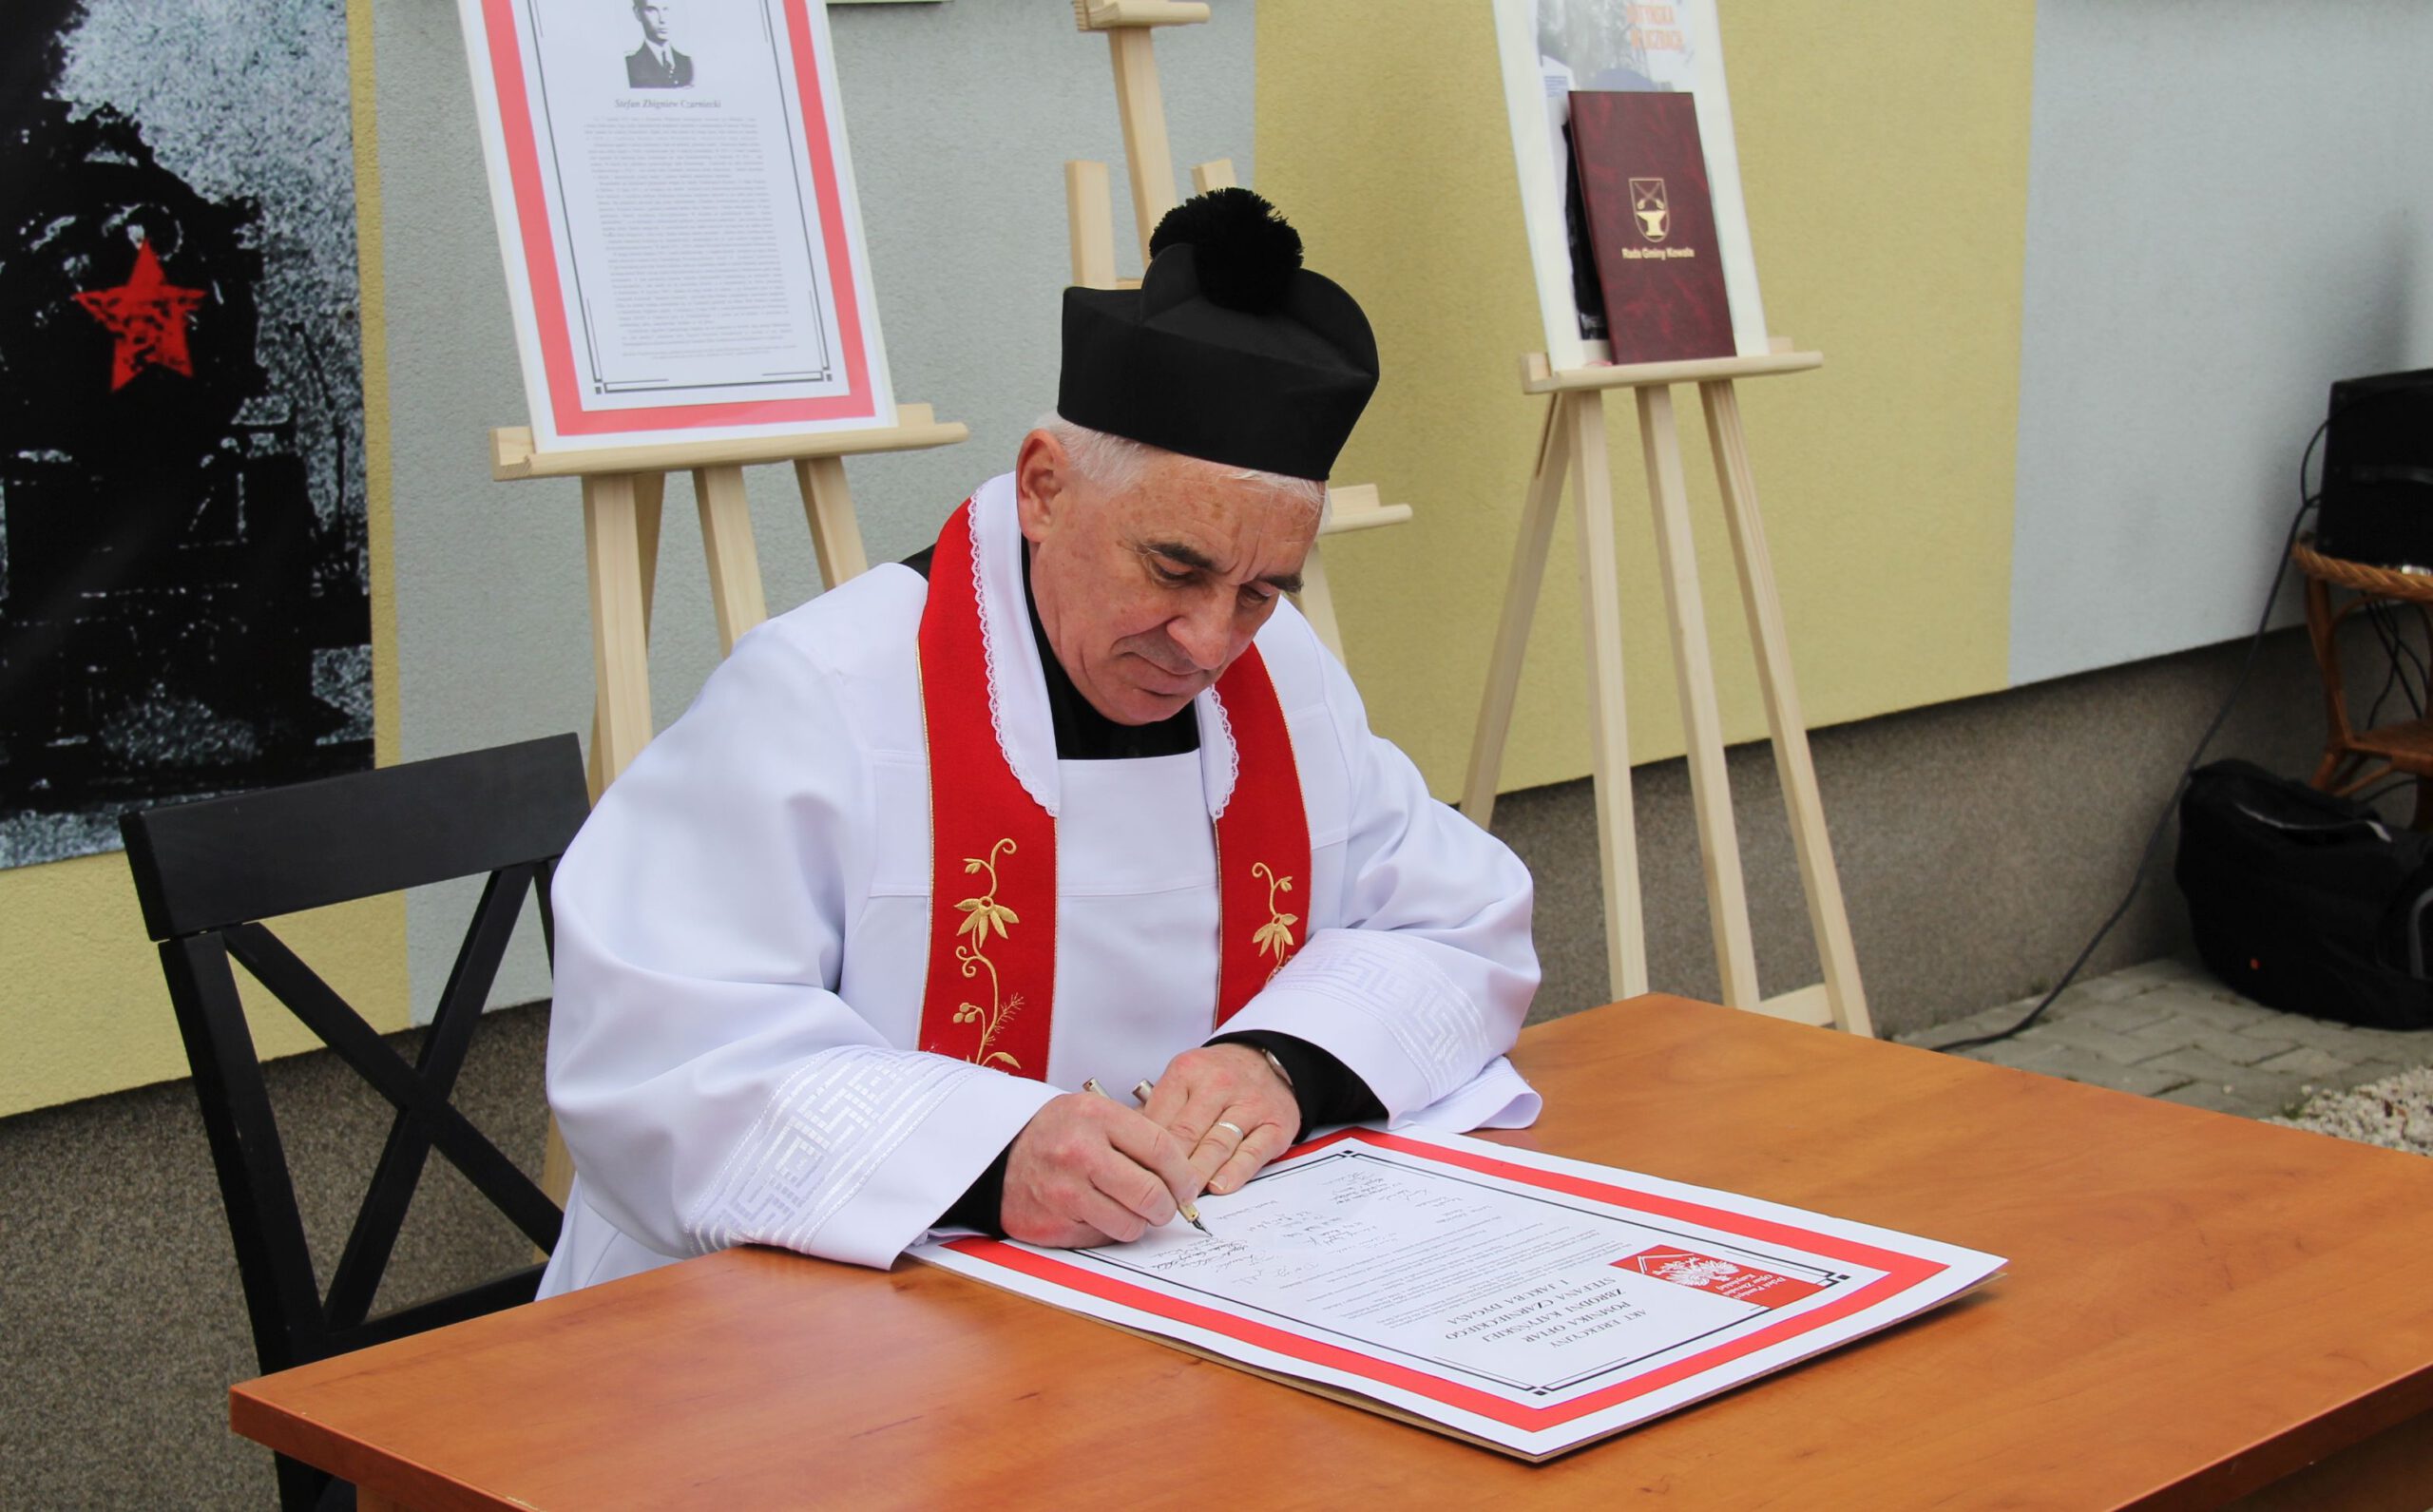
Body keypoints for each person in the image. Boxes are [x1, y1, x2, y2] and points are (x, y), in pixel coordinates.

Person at [538, 189, 1540, 1296]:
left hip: (1186, 1288)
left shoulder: (1282, 677)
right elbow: (659, 1055)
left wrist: (1283, 1061)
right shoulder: (821, 696)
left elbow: (1457, 922)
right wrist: (988, 1152)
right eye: (1174, 569)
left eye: (1260, 590)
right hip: (824, 1316)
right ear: (1044, 489)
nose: (1210, 643)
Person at [624, 1, 693, 90]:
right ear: (637, 13)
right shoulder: (629, 67)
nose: (662, 19)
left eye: (666, 9)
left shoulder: (688, 63)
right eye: (652, 10)